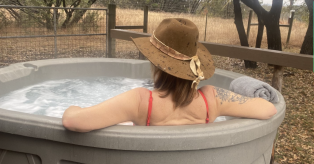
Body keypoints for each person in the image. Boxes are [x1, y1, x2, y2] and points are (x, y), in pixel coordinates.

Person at [62, 18, 277, 132]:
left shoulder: (139, 101)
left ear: (156, 63)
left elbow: (73, 122)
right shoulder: (212, 98)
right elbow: (268, 109)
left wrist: (74, 107)